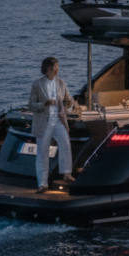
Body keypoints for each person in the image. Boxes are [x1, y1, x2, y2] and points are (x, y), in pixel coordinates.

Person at [28, 56, 75, 193]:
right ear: (48, 69)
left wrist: (65, 108)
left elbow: (69, 100)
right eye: (55, 68)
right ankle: (43, 184)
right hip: (44, 122)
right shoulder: (37, 85)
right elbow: (31, 105)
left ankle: (66, 173)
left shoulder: (61, 83)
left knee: (65, 143)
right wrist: (44, 104)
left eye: (58, 68)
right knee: (42, 151)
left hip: (58, 120)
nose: (57, 71)